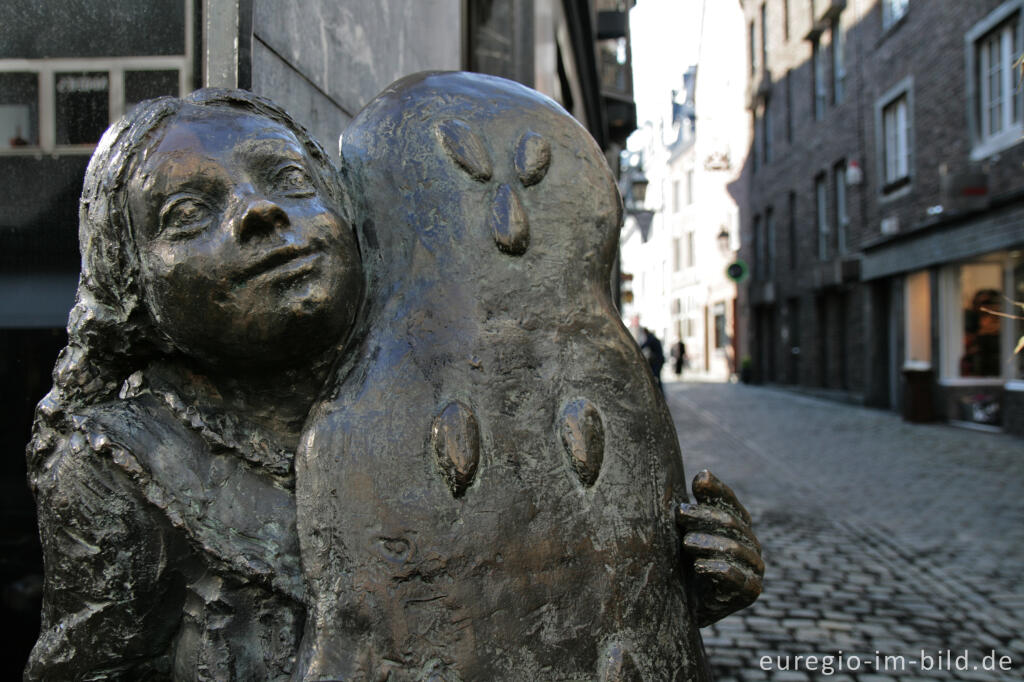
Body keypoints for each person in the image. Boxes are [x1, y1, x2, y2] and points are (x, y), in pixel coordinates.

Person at [24, 89, 362, 680]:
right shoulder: (116, 465)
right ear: (132, 283)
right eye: (186, 213)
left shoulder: (432, 398)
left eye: (288, 178)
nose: (261, 211)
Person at [640, 326, 666, 391]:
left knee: (656, 376)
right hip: (659, 359)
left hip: (657, 360)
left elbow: (643, 346)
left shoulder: (651, 338)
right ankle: (660, 391)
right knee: (656, 376)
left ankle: (659, 392)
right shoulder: (653, 338)